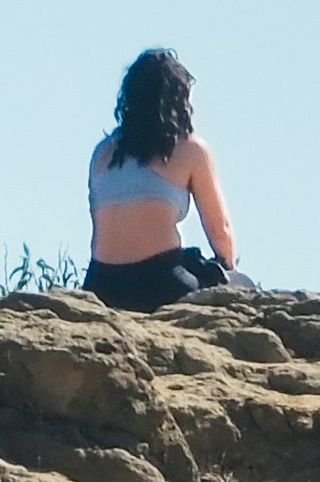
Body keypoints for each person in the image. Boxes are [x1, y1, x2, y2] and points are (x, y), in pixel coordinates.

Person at [85, 47, 236, 307]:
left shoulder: (103, 153)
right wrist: (228, 270)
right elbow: (219, 230)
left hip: (101, 284)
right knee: (237, 284)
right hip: (161, 283)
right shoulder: (191, 150)